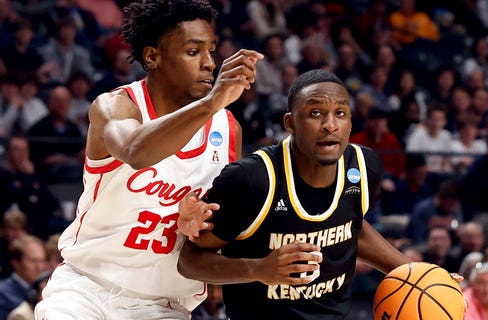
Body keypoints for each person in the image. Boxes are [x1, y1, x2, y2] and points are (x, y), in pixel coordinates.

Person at [35, 0, 263, 319]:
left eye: (211, 51)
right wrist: (212, 103)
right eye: (193, 52)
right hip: (86, 290)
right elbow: (136, 151)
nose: (210, 63)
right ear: (153, 56)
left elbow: (219, 231)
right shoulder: (116, 107)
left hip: (164, 305)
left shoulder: (227, 131)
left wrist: (200, 222)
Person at [176, 70, 414, 319]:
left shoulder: (366, 168)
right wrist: (258, 269)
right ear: (290, 123)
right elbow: (190, 260)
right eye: (315, 113)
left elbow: (350, 225)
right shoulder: (252, 180)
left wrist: (415, 273)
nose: (330, 125)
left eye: (340, 114)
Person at [0, 234, 47, 320]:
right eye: (33, 261)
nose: (40, 267)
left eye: (42, 260)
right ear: (16, 263)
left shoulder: (48, 290)